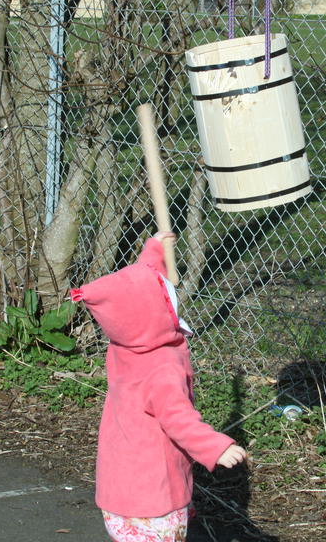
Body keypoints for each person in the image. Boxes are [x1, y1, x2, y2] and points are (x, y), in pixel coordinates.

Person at [71, 230, 247, 541]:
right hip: (155, 495)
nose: (172, 304)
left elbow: (135, 292)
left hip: (119, 491)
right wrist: (216, 447)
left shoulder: (124, 346)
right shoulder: (162, 367)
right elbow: (178, 419)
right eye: (167, 299)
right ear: (156, 311)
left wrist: (154, 249)